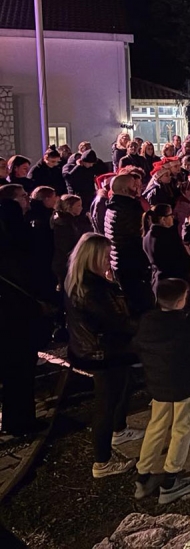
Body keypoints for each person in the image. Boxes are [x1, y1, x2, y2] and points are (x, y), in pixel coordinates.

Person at [65, 233, 143, 477]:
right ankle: (102, 461)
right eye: (106, 256)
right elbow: (117, 321)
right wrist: (148, 326)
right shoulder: (93, 289)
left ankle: (119, 430)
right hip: (104, 351)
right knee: (106, 403)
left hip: (101, 347)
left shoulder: (84, 281)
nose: (110, 260)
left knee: (123, 387)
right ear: (93, 258)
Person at [133, 279, 190, 504]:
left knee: (156, 426)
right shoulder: (187, 327)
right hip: (185, 387)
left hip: (159, 386)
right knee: (182, 428)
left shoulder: (148, 322)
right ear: (182, 300)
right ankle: (171, 480)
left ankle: (143, 476)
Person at [0, 184, 48, 437]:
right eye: (22, 197)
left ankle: (16, 419)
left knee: (15, 368)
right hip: (16, 310)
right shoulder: (14, 230)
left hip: (12, 309)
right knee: (19, 366)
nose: (27, 200)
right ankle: (20, 421)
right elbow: (29, 265)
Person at [105, 173, 154, 315]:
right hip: (131, 262)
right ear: (125, 190)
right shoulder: (129, 208)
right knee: (139, 303)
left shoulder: (113, 205)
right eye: (134, 185)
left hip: (120, 261)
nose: (138, 187)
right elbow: (138, 236)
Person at [143, 203, 190, 294]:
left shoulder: (147, 237)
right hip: (174, 284)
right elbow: (185, 261)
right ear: (163, 219)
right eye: (171, 215)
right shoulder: (169, 238)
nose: (173, 218)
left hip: (157, 281)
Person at [52, 194, 92, 288]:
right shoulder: (64, 224)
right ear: (69, 207)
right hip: (67, 263)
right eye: (78, 206)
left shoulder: (70, 220)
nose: (81, 208)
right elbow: (67, 245)